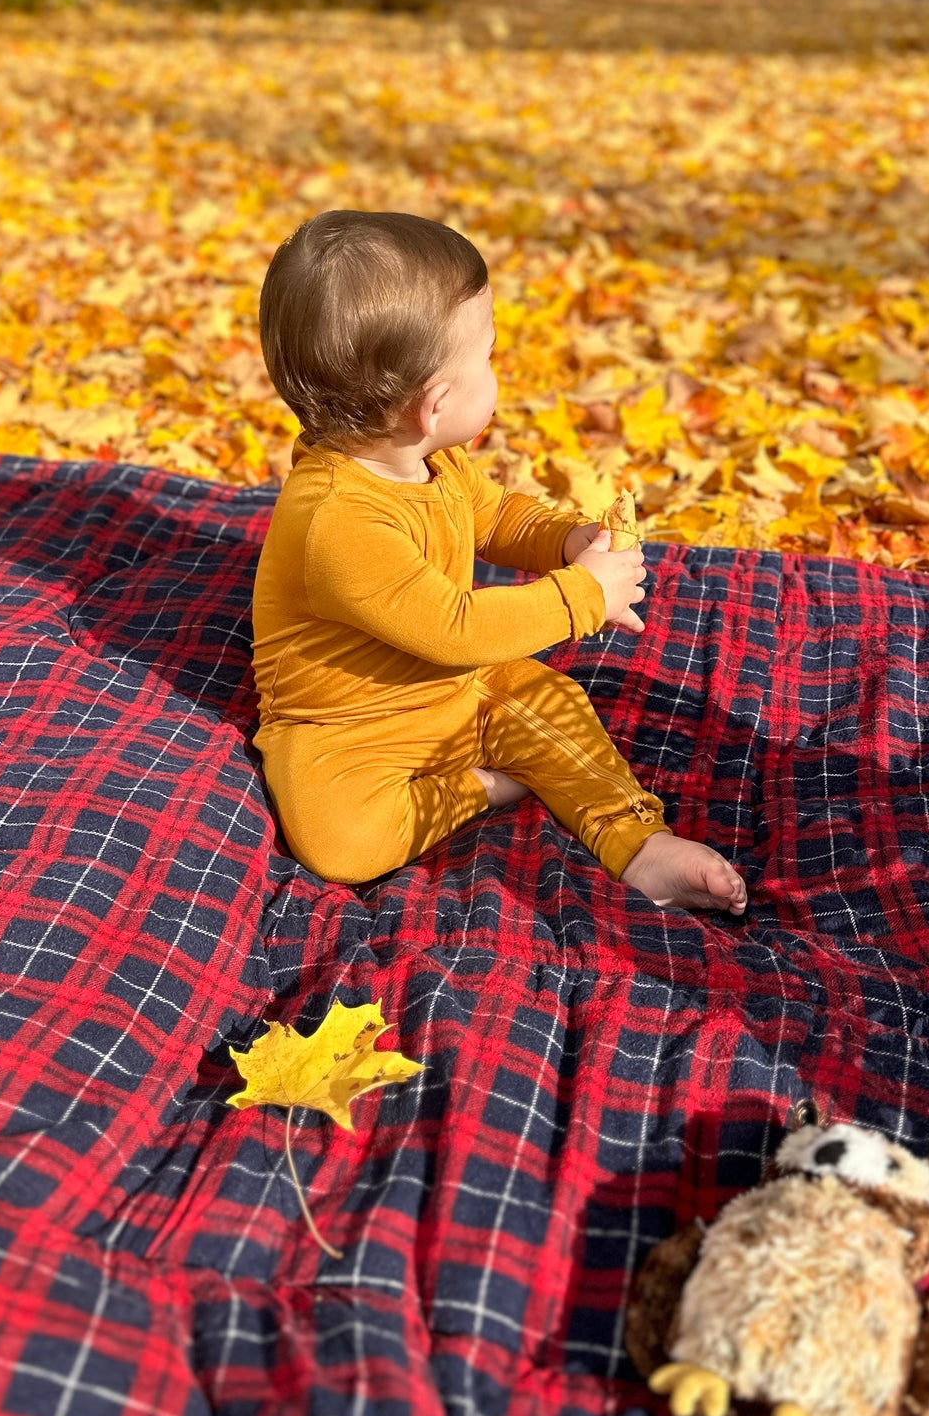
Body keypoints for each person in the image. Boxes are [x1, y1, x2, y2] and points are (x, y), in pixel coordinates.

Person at [250, 209, 747, 914]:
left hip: (458, 694)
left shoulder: (431, 463)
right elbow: (452, 627)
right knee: (338, 845)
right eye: (487, 355)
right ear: (434, 404)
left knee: (553, 706)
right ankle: (482, 785)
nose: (496, 370)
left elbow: (494, 516)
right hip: (348, 732)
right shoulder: (335, 519)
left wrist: (564, 542)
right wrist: (580, 596)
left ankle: (638, 842)